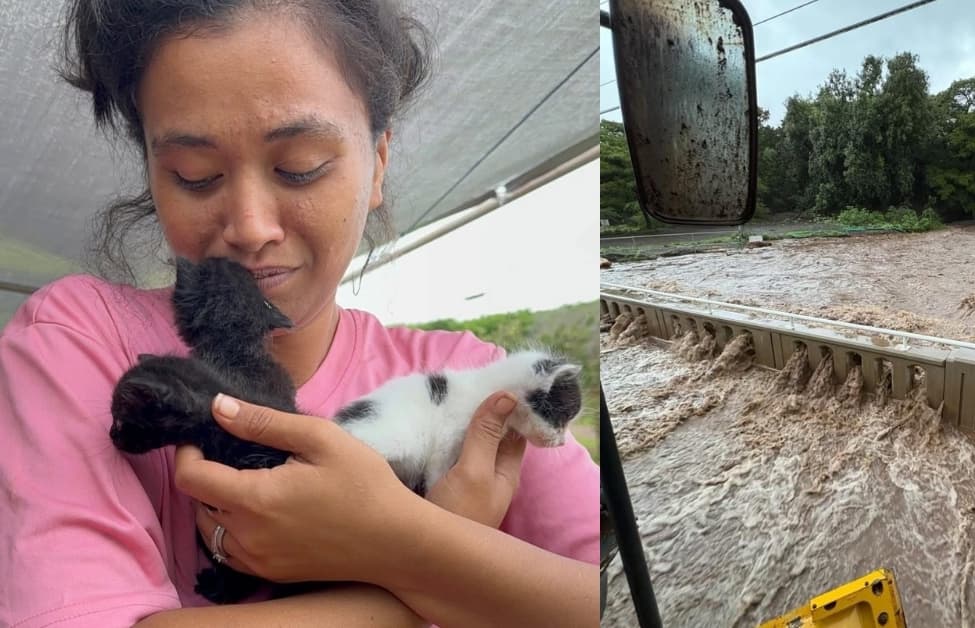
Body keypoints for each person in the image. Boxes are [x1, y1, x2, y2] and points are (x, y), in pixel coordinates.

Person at [0, 1, 599, 627]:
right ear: (153, 171)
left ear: (378, 164)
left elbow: (604, 593)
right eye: (195, 175)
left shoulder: (479, 386)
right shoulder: (77, 338)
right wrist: (433, 562)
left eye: (299, 168)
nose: (251, 227)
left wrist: (406, 544)